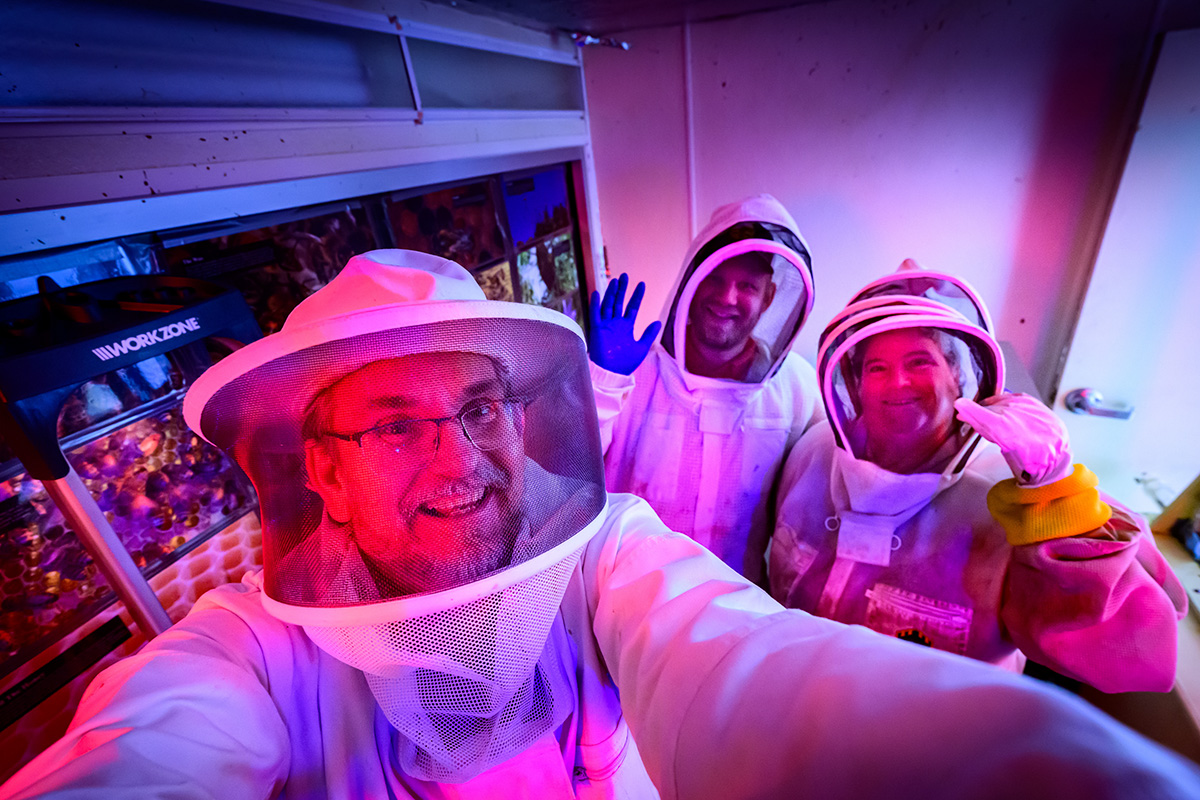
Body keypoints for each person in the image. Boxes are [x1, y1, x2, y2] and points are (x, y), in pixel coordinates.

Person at [6, 250, 1200, 800]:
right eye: (392, 425)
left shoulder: (611, 550)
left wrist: (1064, 510)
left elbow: (747, 659)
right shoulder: (252, 645)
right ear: (315, 465)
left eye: (481, 404)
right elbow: (148, 748)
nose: (460, 454)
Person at [769, 264, 1187, 692]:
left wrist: (1055, 490)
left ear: (957, 376)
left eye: (920, 362)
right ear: (853, 384)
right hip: (802, 717)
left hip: (942, 748)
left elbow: (1137, 656)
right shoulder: (815, 453)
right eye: (877, 367)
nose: (898, 382)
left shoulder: (1014, 486)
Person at [588, 194, 822, 582]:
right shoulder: (632, 368)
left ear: (770, 298)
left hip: (738, 612)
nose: (727, 298)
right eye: (714, 278)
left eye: (747, 285)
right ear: (691, 280)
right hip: (624, 606)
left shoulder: (794, 386)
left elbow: (818, 493)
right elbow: (568, 479)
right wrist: (600, 384)